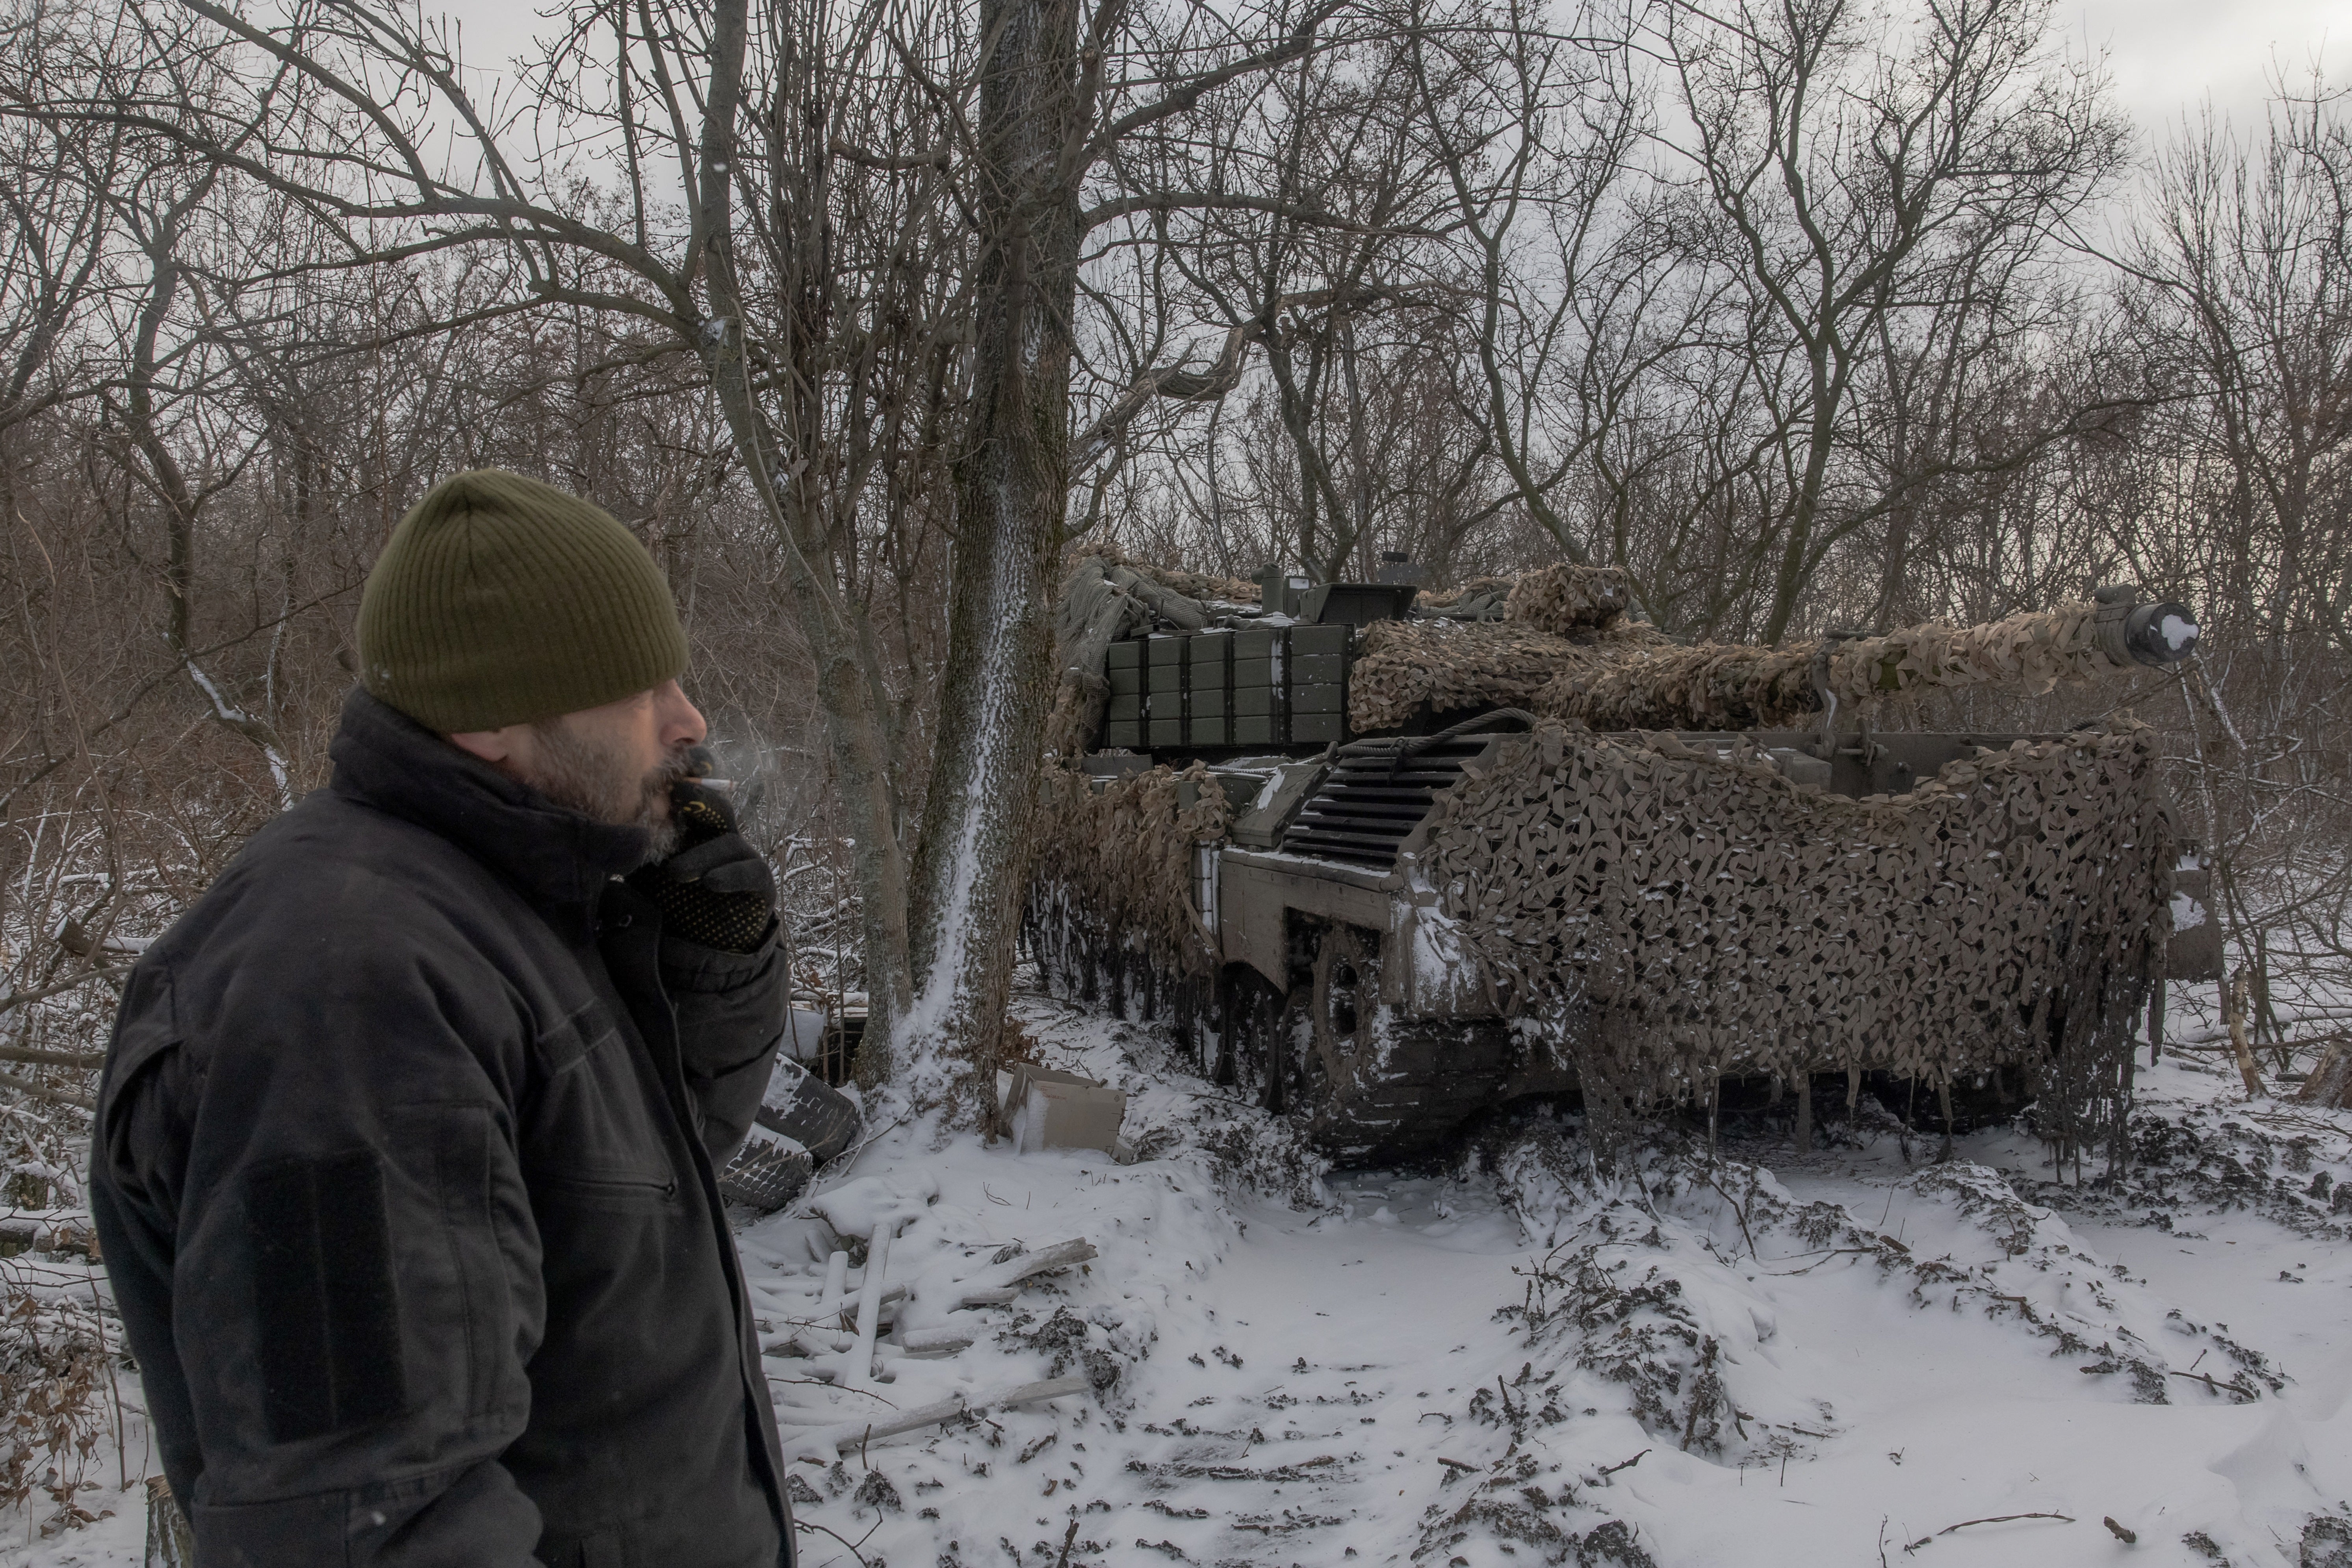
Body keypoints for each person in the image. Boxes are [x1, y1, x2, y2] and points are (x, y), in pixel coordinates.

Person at [90, 470, 828, 1566]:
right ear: (490, 720)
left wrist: (709, 964)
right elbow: (370, 1523)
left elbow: (634, 1198)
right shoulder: (346, 994)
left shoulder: (509, 897)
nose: (689, 719)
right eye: (637, 689)